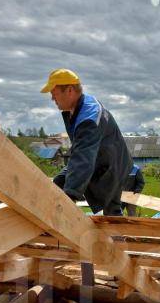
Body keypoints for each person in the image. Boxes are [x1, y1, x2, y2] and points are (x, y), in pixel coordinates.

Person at [41, 69, 132, 216]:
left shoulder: (88, 118)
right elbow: (80, 152)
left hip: (111, 166)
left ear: (69, 90)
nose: (52, 98)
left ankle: (117, 238)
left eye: (54, 93)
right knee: (59, 183)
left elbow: (83, 159)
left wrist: (69, 197)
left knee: (112, 211)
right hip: (100, 160)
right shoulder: (79, 107)